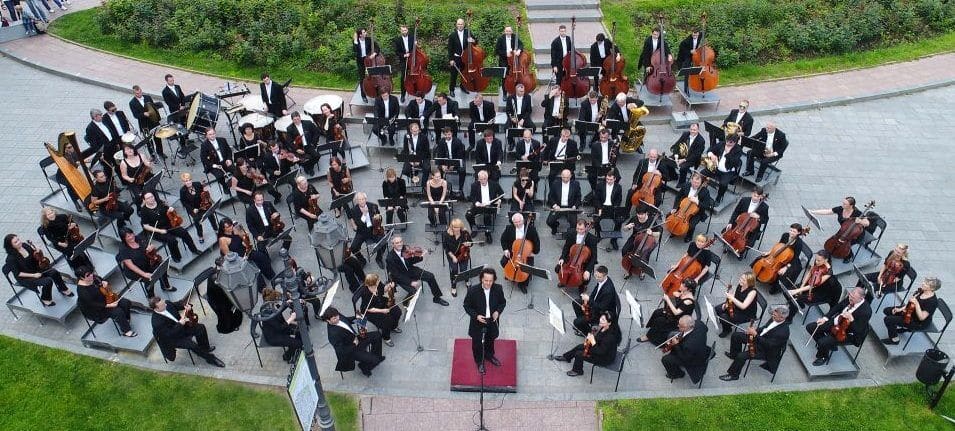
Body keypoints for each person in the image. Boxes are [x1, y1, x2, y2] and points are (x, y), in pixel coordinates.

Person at [719, 305, 790, 381]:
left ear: (782, 318)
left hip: (765, 350)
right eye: (773, 314)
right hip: (759, 339)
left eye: (775, 315)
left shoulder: (783, 332)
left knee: (741, 356)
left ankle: (733, 375)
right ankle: (734, 355)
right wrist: (754, 331)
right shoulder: (774, 318)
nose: (772, 316)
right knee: (736, 336)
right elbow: (764, 328)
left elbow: (769, 345)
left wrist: (755, 335)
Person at [150, 297, 225, 367]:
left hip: (182, 327)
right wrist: (180, 324)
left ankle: (204, 348)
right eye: (163, 305)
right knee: (192, 345)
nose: (166, 304)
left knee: (200, 328)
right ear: (156, 308)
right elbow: (169, 334)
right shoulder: (156, 322)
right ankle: (210, 359)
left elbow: (177, 305)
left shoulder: (167, 304)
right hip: (174, 339)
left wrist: (187, 306)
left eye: (164, 302)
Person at [805, 287, 871, 366]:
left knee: (822, 342)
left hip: (847, 332)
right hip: (837, 321)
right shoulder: (851, 297)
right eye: (850, 295)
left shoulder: (866, 311)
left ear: (861, 298)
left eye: (853, 298)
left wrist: (851, 319)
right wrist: (825, 318)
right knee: (811, 327)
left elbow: (858, 330)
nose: (850, 298)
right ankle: (827, 346)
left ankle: (823, 356)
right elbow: (838, 307)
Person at [3, 234, 73, 307]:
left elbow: (35, 255)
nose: (19, 242)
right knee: (47, 281)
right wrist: (34, 275)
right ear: (10, 246)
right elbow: (18, 273)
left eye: (18, 239)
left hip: (35, 268)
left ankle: (63, 288)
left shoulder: (24, 245)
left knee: (54, 272)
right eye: (16, 242)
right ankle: (45, 298)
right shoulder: (10, 259)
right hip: (26, 277)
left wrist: (37, 250)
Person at [463, 268, 506, 373]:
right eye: (486, 280)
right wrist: (476, 316)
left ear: (494, 280)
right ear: (481, 279)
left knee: (490, 339)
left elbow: (502, 303)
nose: (488, 283)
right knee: (477, 343)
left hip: (491, 320)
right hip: (478, 322)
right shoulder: (473, 291)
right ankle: (479, 362)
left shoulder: (498, 289)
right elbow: (466, 306)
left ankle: (489, 356)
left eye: (491, 281)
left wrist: (498, 312)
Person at [139, 191, 200, 263]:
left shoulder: (159, 202)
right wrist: (159, 230)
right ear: (144, 200)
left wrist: (171, 209)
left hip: (170, 225)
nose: (151, 199)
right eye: (148, 198)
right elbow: (146, 226)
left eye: (152, 196)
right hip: (157, 231)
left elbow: (169, 212)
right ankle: (176, 256)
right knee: (172, 240)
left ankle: (194, 249)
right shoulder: (144, 211)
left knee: (184, 232)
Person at [386, 235, 448, 306]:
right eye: (397, 243)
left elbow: (411, 261)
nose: (400, 244)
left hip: (410, 270)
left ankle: (437, 298)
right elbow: (396, 275)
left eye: (401, 241)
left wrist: (420, 256)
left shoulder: (405, 248)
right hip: (401, 277)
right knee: (413, 291)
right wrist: (410, 282)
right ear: (393, 244)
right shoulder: (390, 258)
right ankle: (405, 302)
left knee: (430, 276)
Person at [76, 266, 136, 337]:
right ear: (82, 278)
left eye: (91, 273)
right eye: (88, 275)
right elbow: (92, 304)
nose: (91, 275)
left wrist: (105, 283)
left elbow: (102, 282)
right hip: (96, 309)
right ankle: (126, 331)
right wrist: (109, 305)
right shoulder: (82, 291)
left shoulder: (94, 277)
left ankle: (125, 319)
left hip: (106, 298)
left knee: (126, 302)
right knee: (118, 311)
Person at [323, 306, 384, 376]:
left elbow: (346, 320)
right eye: (334, 318)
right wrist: (354, 344)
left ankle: (376, 356)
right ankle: (363, 366)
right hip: (351, 350)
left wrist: (357, 317)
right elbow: (341, 350)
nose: (338, 318)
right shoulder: (333, 334)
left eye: (337, 316)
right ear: (328, 320)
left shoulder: (337, 316)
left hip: (355, 338)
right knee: (374, 360)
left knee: (377, 335)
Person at [557, 310, 621, 377]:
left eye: (603, 320)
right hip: (598, 347)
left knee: (579, 354)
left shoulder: (610, 337)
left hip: (604, 358)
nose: (600, 320)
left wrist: (592, 341)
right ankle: (567, 357)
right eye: (601, 318)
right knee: (580, 346)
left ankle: (578, 371)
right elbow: (598, 339)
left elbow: (600, 351)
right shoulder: (604, 326)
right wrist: (590, 337)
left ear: (609, 323)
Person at [810, 196, 872, 263]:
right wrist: (813, 212)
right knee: (835, 241)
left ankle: (849, 256)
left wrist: (860, 221)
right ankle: (832, 251)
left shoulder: (857, 213)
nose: (843, 205)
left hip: (854, 235)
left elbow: (867, 223)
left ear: (851, 206)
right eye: (843, 203)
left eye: (845, 204)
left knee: (847, 245)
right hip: (843, 230)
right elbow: (828, 211)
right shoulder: (841, 209)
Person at [216, 218, 274, 286]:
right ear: (223, 228)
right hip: (237, 259)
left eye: (231, 225)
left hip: (246, 251)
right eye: (228, 227)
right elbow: (228, 256)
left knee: (262, 257)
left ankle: (271, 276)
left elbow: (245, 241)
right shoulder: (222, 240)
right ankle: (262, 286)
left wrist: (242, 234)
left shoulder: (234, 229)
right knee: (253, 269)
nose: (231, 227)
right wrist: (243, 259)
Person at [753, 223, 808, 294]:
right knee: (761, 259)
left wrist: (785, 267)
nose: (791, 232)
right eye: (791, 230)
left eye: (794, 231)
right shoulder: (785, 235)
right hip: (779, 255)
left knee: (783, 273)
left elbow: (795, 257)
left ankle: (775, 288)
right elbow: (778, 246)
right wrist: (769, 252)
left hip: (791, 260)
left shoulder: (799, 243)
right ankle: (759, 275)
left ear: (799, 233)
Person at [639, 279, 697, 346]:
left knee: (660, 320)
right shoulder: (683, 291)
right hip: (672, 313)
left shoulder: (688, 301)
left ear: (689, 289)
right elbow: (675, 294)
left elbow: (676, 312)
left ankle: (648, 337)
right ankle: (653, 329)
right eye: (682, 284)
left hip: (678, 320)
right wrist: (676, 294)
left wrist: (667, 299)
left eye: (683, 285)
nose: (681, 285)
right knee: (657, 312)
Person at [883, 277, 940, 345]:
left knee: (888, 320)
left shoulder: (932, 302)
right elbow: (911, 303)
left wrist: (917, 304)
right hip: (910, 312)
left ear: (932, 289)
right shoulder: (922, 291)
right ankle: (898, 327)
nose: (923, 283)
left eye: (926, 284)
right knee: (887, 311)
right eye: (924, 281)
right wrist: (900, 309)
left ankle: (894, 339)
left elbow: (921, 317)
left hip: (918, 322)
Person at [117, 228, 173, 296]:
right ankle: (151, 296)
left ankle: (165, 286)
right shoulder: (123, 249)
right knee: (148, 279)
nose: (131, 237)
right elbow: (130, 265)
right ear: (123, 238)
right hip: (134, 271)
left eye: (131, 234)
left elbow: (151, 248)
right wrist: (144, 274)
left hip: (147, 262)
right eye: (128, 236)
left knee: (162, 267)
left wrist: (152, 247)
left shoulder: (139, 238)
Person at [788, 250, 840, 319]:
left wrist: (798, 290)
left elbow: (814, 285)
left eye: (819, 260)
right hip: (812, 284)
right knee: (789, 290)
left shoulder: (829, 272)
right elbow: (810, 273)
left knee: (797, 298)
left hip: (822, 292)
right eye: (816, 259)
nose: (816, 262)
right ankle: (799, 305)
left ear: (826, 260)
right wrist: (802, 285)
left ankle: (789, 318)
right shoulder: (817, 263)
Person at [354, 274, 402, 347]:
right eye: (377, 282)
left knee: (397, 311)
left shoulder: (378, 283)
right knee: (387, 321)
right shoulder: (365, 292)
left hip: (380, 301)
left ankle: (394, 326)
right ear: (371, 285)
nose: (379, 281)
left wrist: (389, 286)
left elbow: (383, 290)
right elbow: (369, 308)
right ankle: (386, 338)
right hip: (370, 311)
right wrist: (382, 311)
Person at [499, 212, 540, 294]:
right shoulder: (509, 228)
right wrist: (506, 250)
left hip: (526, 254)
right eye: (515, 222)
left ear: (523, 220)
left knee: (527, 269)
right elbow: (503, 240)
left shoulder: (531, 229)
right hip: (513, 251)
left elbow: (537, 242)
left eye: (519, 222)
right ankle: (509, 273)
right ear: (513, 222)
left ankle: (522, 284)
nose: (517, 224)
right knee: (503, 262)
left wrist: (533, 253)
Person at [660, 315, 710, 382]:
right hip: (698, 349)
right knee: (673, 334)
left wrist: (676, 344)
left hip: (692, 359)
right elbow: (706, 329)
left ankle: (678, 374)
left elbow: (685, 358)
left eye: (680, 326)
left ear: (687, 327)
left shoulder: (690, 344)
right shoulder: (699, 323)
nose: (678, 326)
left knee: (665, 359)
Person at [571, 266, 618, 335]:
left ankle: (589, 333)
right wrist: (587, 301)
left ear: (605, 276)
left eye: (599, 277)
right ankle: (583, 324)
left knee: (576, 322)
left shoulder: (608, 291)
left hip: (601, 313)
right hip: (595, 304)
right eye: (596, 275)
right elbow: (595, 292)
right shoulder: (603, 280)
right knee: (575, 302)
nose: (597, 278)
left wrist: (589, 300)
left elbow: (600, 308)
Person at [722, 186, 769, 254]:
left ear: (761, 196)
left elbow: (766, 219)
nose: (755, 198)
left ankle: (740, 251)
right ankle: (727, 245)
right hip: (740, 224)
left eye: (758, 196)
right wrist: (730, 222)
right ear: (752, 194)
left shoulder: (765, 207)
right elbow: (736, 212)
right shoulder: (744, 200)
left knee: (748, 244)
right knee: (725, 231)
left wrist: (758, 217)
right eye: (754, 195)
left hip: (751, 229)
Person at [621, 204, 662, 280]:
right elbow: (624, 229)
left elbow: (658, 233)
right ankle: (628, 268)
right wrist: (627, 227)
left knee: (645, 256)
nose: (639, 216)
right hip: (635, 238)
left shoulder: (651, 220)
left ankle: (642, 271)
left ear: (646, 213)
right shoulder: (634, 218)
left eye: (642, 214)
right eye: (638, 214)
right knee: (624, 250)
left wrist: (652, 233)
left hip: (647, 241)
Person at [260, 287, 302, 362]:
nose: (278, 301)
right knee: (298, 343)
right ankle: (287, 356)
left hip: (280, 327)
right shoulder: (267, 313)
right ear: (272, 300)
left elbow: (279, 310)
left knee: (300, 330)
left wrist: (287, 303)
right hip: (274, 336)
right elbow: (280, 328)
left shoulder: (271, 305)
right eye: (276, 300)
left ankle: (295, 347)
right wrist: (291, 319)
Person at [668, 173, 713, 243]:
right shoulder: (686, 185)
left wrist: (697, 202)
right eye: (694, 182)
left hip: (696, 212)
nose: (695, 184)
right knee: (669, 216)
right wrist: (675, 207)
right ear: (691, 180)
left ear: (701, 183)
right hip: (682, 208)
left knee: (691, 225)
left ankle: (689, 235)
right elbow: (678, 197)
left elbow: (706, 206)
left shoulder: (705, 191)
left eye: (698, 183)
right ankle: (674, 230)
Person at [557, 219, 599, 289]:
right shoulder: (571, 233)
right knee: (558, 268)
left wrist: (588, 270)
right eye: (577, 229)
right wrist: (562, 258)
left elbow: (594, 257)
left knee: (586, 278)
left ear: (586, 228)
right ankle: (564, 281)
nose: (579, 231)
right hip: (571, 259)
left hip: (583, 262)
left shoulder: (592, 239)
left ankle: (581, 286)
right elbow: (566, 247)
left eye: (581, 229)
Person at [713, 272, 759, 337]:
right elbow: (735, 295)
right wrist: (727, 303)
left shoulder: (753, 292)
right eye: (741, 278)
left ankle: (727, 329)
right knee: (718, 309)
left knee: (724, 317)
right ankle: (725, 322)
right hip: (737, 306)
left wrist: (731, 298)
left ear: (749, 282)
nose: (740, 280)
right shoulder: (740, 285)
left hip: (746, 314)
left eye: (743, 280)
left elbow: (743, 306)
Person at [702, 134, 743, 204]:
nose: (727, 143)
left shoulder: (738, 150)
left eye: (730, 142)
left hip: (728, 172)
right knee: (702, 173)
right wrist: (712, 155)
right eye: (727, 141)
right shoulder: (722, 144)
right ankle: (701, 190)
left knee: (723, 184)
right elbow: (710, 149)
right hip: (716, 167)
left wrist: (727, 153)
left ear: (734, 143)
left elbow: (734, 162)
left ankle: (719, 197)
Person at [466, 170, 504, 242]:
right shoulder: (474, 185)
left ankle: (488, 234)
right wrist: (476, 203)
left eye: (484, 179)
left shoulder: (494, 184)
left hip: (490, 205)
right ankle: (474, 228)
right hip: (479, 205)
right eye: (481, 179)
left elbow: (502, 194)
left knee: (487, 216)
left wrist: (499, 200)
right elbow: (472, 197)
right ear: (478, 178)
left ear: (487, 178)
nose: (483, 181)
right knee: (468, 215)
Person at [179, 172, 217, 244]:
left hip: (203, 204)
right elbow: (184, 203)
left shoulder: (197, 184)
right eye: (186, 181)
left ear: (191, 180)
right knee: (197, 220)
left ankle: (216, 229)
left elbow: (204, 194)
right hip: (193, 208)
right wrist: (192, 209)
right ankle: (200, 235)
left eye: (189, 180)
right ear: (183, 182)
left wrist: (206, 192)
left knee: (210, 214)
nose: (188, 182)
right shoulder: (182, 191)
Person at [348, 192, 385, 266]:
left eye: (363, 199)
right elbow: (359, 225)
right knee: (353, 248)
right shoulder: (354, 210)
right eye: (359, 200)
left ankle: (378, 258)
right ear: (357, 201)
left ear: (365, 199)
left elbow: (379, 218)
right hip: (362, 231)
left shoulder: (373, 206)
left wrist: (377, 219)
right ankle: (362, 261)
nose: (362, 201)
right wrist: (364, 215)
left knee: (383, 242)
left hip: (374, 229)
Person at [129, 85, 164, 158]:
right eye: (137, 93)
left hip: (153, 121)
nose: (139, 94)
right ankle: (153, 156)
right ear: (134, 93)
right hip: (144, 124)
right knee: (148, 141)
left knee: (158, 138)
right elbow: (135, 115)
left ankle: (160, 153)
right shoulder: (132, 103)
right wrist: (143, 114)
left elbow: (153, 107)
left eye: (140, 92)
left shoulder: (148, 97)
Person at [447, 18, 477, 96]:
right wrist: (451, 59)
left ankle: (463, 87)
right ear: (456, 25)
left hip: (465, 58)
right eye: (459, 24)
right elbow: (450, 49)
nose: (460, 25)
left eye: (461, 24)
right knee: (454, 75)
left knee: (464, 73)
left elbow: (475, 42)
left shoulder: (468, 32)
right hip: (456, 58)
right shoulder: (452, 35)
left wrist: (473, 40)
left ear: (464, 25)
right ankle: (451, 89)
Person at [546, 169, 582, 235]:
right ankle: (555, 226)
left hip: (570, 207)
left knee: (574, 224)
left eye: (567, 177)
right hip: (558, 207)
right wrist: (555, 205)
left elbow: (578, 197)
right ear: (561, 176)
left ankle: (570, 234)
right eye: (564, 177)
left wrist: (575, 206)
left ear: (570, 176)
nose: (565, 179)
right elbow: (550, 196)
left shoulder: (576, 184)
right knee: (549, 222)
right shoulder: (555, 183)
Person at [593, 170, 623, 250]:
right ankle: (599, 235)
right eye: (607, 179)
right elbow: (596, 199)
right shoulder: (600, 185)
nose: (608, 181)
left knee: (619, 221)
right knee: (596, 220)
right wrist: (599, 208)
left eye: (610, 179)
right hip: (602, 207)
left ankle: (614, 240)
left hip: (612, 207)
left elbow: (619, 200)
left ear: (615, 179)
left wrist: (615, 208)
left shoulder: (618, 187)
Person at [442, 219, 471, 298]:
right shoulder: (446, 235)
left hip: (463, 254)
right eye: (455, 227)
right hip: (452, 255)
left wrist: (468, 244)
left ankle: (466, 280)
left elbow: (471, 243)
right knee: (454, 270)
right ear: (452, 227)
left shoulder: (465, 233)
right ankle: (453, 285)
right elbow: (446, 248)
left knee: (464, 269)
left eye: (458, 227)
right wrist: (453, 257)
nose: (457, 229)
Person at [432, 126, 467, 193]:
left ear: (452, 134)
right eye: (445, 135)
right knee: (438, 169)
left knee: (462, 170)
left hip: (456, 161)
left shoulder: (458, 142)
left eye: (449, 134)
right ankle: (440, 187)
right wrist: (442, 165)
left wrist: (453, 165)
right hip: (445, 162)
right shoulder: (441, 142)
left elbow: (460, 156)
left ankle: (460, 189)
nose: (447, 136)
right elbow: (440, 155)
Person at [353, 28, 381, 103]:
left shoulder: (368, 39)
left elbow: (377, 47)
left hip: (369, 60)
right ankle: (363, 96)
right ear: (360, 35)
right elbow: (355, 51)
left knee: (373, 76)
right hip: (361, 62)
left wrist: (374, 53)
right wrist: (355, 41)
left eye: (365, 32)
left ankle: (375, 93)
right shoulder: (356, 41)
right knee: (362, 79)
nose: (366, 33)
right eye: (364, 32)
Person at [505, 83, 534, 150]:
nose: (523, 92)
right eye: (521, 91)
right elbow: (507, 110)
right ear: (516, 91)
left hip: (523, 116)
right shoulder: (510, 98)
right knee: (506, 128)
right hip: (514, 116)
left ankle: (525, 140)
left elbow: (529, 110)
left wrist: (523, 119)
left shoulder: (528, 97)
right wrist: (512, 118)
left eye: (523, 91)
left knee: (533, 127)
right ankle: (511, 143)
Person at [393, 24, 415, 102]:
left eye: (405, 30)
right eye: (402, 30)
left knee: (414, 76)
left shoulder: (412, 37)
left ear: (407, 30)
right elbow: (397, 52)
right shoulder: (398, 40)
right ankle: (403, 94)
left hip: (412, 59)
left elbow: (415, 49)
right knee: (403, 77)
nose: (404, 32)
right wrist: (404, 55)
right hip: (404, 60)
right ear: (400, 31)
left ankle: (415, 92)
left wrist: (415, 45)